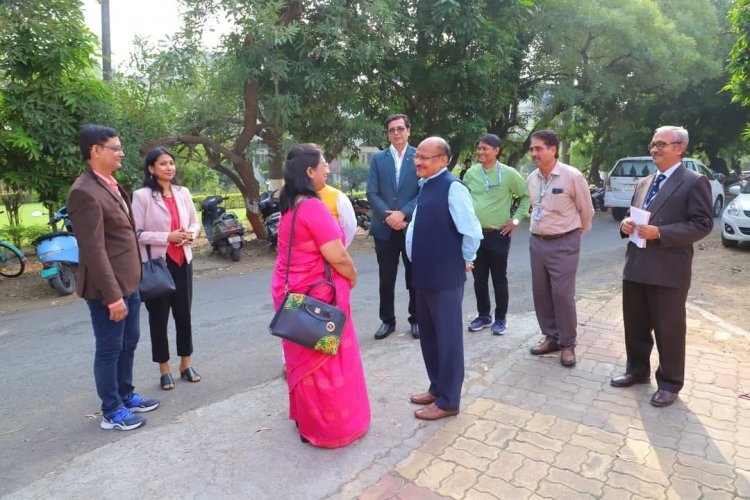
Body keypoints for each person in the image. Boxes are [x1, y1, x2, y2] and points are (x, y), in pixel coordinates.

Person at [271, 143, 370, 447]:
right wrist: (352, 277)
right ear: (310, 171)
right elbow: (337, 255)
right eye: (324, 164)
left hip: (294, 297)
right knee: (327, 361)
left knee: (304, 360)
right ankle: (333, 429)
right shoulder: (312, 206)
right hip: (318, 300)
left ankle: (307, 421)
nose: (328, 168)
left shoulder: (291, 204)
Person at [66, 124, 160, 431]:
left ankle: (126, 393)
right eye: (115, 148)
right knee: (109, 348)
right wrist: (113, 296)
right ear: (96, 151)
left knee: (129, 341)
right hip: (108, 290)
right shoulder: (83, 192)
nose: (121, 153)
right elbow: (93, 250)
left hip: (128, 282)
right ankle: (112, 410)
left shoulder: (110, 183)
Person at [612, 126, 713, 407]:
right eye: (652, 144)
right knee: (635, 324)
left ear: (680, 147)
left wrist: (662, 233)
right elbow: (632, 216)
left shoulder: (694, 181)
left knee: (668, 329)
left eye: (661, 144)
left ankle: (669, 383)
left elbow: (702, 224)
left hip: (668, 271)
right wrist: (624, 225)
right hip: (636, 266)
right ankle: (637, 370)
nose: (654, 149)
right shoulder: (644, 182)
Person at [406, 137, 482, 420]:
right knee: (430, 336)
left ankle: (449, 401)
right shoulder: (426, 185)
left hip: (445, 275)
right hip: (424, 273)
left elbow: (471, 231)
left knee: (448, 339)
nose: (418, 161)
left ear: (443, 160)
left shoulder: (453, 188)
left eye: (425, 157)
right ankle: (437, 387)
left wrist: (466, 259)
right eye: (417, 156)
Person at [132, 148, 201, 391]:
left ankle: (186, 363)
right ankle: (164, 369)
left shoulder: (183, 192)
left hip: (183, 261)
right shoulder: (141, 196)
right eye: (163, 164)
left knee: (184, 315)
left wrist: (190, 235)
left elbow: (194, 221)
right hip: (157, 265)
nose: (169, 167)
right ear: (151, 168)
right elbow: (136, 233)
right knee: (158, 319)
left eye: (171, 163)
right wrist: (167, 237)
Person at [526, 130, 594, 367]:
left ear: (552, 149)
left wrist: (573, 234)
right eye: (532, 149)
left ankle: (568, 344)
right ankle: (551, 338)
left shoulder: (571, 176)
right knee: (541, 292)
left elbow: (587, 211)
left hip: (564, 242)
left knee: (562, 295)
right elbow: (534, 206)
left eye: (539, 148)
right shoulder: (532, 178)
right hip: (537, 242)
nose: (534, 153)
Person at [462, 134, 530, 335]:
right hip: (475, 236)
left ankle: (501, 319)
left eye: (486, 149)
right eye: (479, 148)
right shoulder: (470, 174)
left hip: (499, 234)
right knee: (479, 278)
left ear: (497, 150)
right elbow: (462, 201)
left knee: (499, 278)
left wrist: (515, 220)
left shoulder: (509, 174)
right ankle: (484, 316)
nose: (481, 152)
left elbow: (526, 197)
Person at [366, 114, 420, 339]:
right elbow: (371, 192)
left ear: (408, 130)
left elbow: (423, 189)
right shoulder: (379, 158)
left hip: (411, 227)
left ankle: (416, 319)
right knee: (386, 278)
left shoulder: (420, 155)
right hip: (384, 228)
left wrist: (403, 213)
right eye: (391, 130)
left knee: (414, 276)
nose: (396, 133)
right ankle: (387, 321)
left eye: (400, 129)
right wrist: (389, 216)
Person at [318, 182, 357, 247]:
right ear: (310, 172)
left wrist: (337, 249)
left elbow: (349, 227)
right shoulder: (298, 198)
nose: (327, 171)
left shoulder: (337, 196)